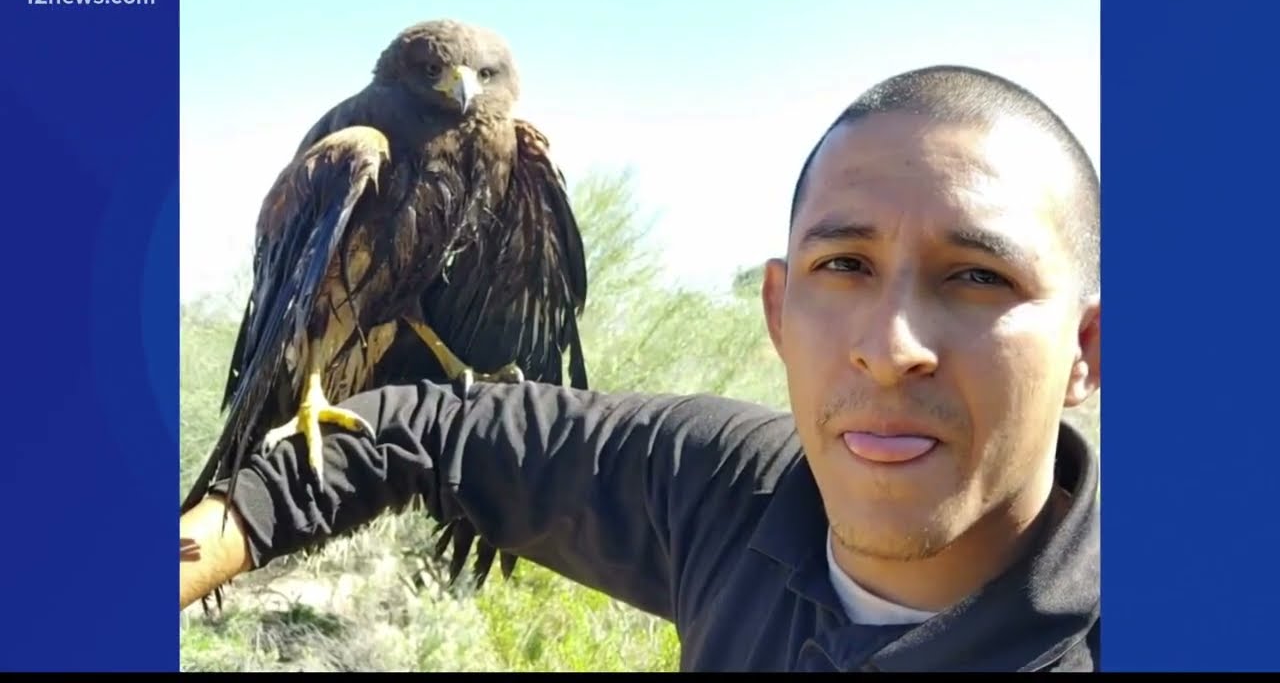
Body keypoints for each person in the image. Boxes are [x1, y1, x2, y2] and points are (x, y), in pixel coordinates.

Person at [180, 64, 1101, 673]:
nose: (892, 346)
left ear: (1088, 353)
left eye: (979, 278)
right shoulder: (725, 488)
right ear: (779, 312)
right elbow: (407, 430)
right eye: (844, 266)